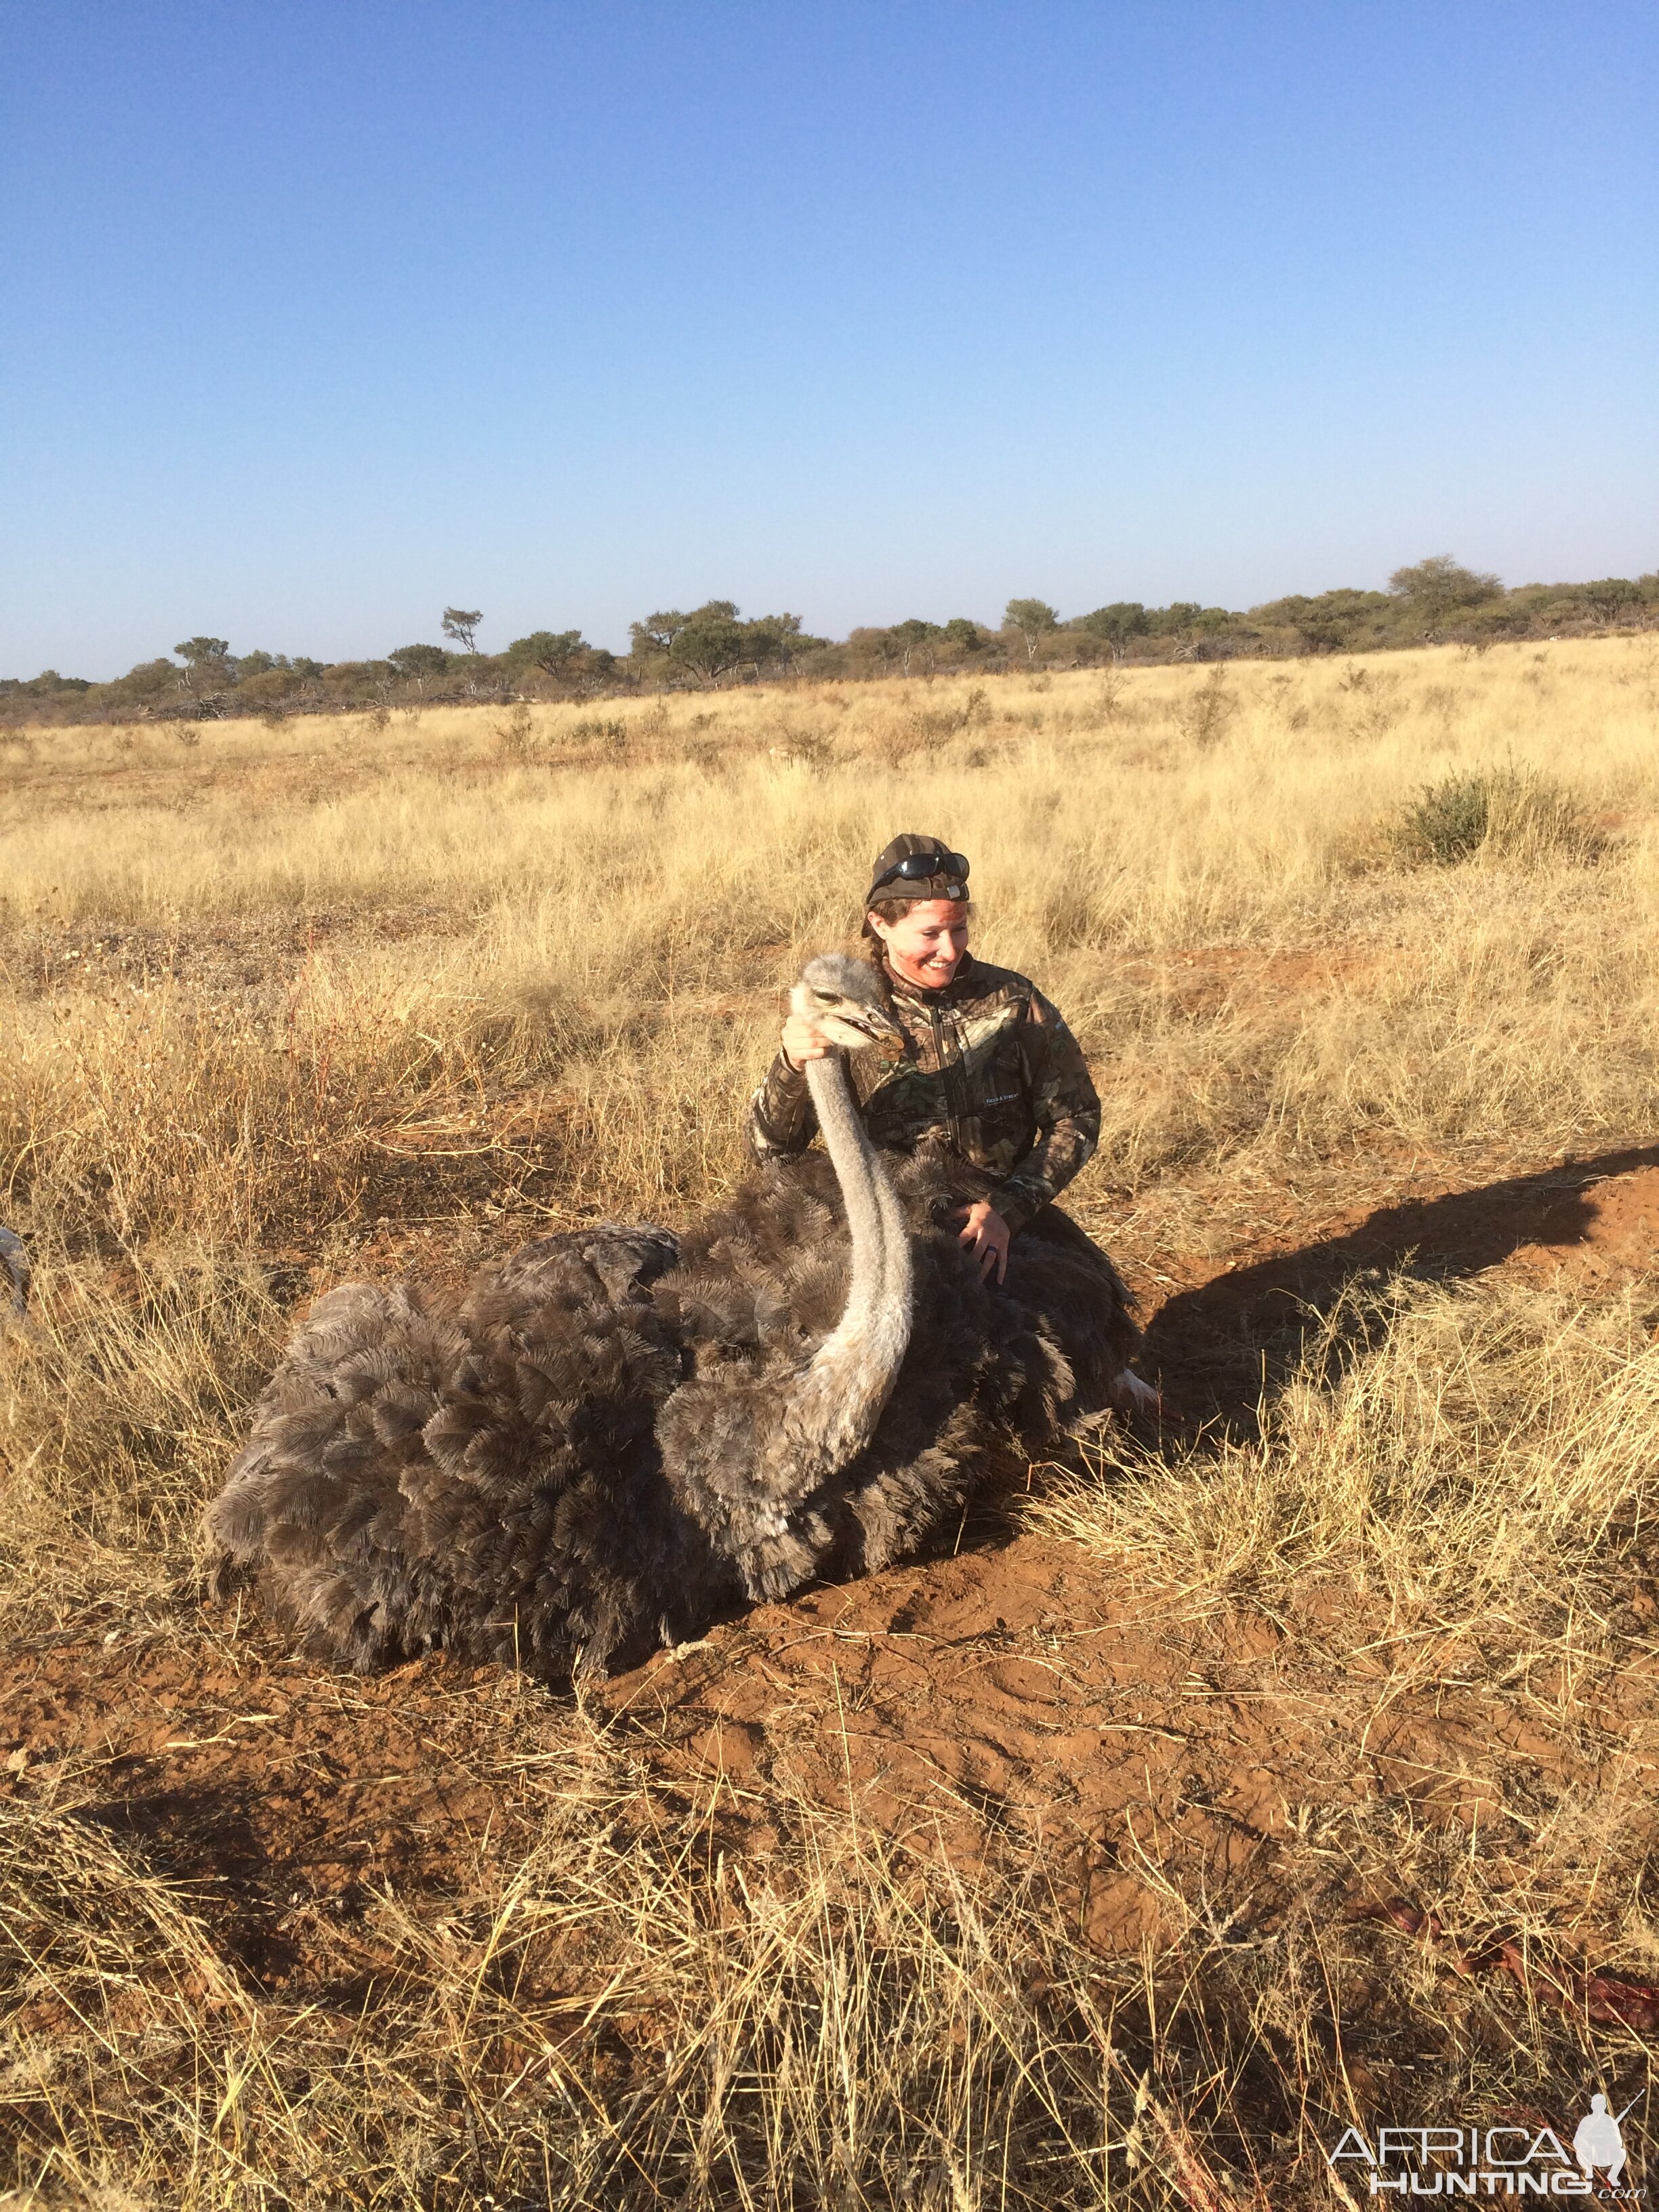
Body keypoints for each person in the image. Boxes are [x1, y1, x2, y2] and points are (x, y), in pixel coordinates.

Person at [747, 832, 1109, 1290]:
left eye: (958, 927)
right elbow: (771, 1152)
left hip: (996, 1222)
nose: (950, 950)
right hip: (889, 1227)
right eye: (930, 934)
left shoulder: (1013, 1001)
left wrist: (1008, 1209)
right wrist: (791, 1067)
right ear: (880, 924)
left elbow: (1075, 1116)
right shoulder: (847, 1009)